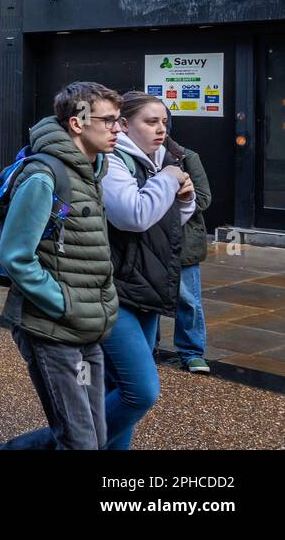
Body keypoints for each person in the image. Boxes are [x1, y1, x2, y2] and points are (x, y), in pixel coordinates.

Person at [0, 82, 123, 450]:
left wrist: (101, 300)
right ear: (77, 124)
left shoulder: (92, 170)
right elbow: (16, 255)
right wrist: (64, 303)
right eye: (108, 121)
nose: (117, 129)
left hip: (88, 332)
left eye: (119, 120)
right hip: (53, 331)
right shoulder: (45, 176)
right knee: (80, 440)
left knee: (94, 435)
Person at [96, 90, 194, 449]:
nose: (161, 130)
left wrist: (184, 199)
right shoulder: (113, 161)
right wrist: (169, 180)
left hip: (147, 285)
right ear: (123, 125)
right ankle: (48, 443)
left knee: (118, 389)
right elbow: (133, 217)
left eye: (164, 122)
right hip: (115, 289)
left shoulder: (156, 161)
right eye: (151, 122)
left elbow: (166, 224)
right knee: (140, 392)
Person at [168, 128, 212, 374]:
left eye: (162, 122)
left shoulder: (186, 156)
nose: (158, 128)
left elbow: (204, 199)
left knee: (188, 299)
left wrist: (164, 196)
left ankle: (192, 352)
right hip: (148, 242)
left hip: (183, 241)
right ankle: (147, 347)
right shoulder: (130, 157)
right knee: (145, 297)